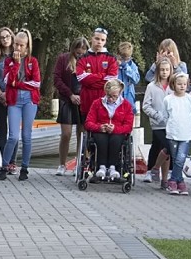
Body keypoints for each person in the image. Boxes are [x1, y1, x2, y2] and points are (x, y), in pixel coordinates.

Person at [0, 29, 41, 181]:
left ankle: (25, 167)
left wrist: (18, 84)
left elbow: (36, 83)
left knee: (26, 135)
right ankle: (4, 166)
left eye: (21, 45)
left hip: (29, 99)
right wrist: (16, 64)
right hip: (14, 100)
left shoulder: (33, 61)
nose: (18, 48)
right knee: (13, 136)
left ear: (27, 46)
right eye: (16, 44)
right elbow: (7, 81)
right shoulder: (9, 60)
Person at [84, 79, 134, 182]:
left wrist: (115, 129)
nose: (111, 99)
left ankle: (113, 167)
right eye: (109, 96)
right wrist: (99, 127)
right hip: (100, 131)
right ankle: (101, 167)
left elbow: (128, 126)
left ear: (120, 93)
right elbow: (88, 123)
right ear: (106, 93)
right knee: (101, 138)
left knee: (116, 139)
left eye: (114, 96)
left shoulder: (127, 106)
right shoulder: (97, 104)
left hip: (117, 132)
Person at [53, 37, 88, 175]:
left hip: (83, 100)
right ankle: (62, 164)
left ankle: (80, 163)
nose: (79, 55)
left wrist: (82, 96)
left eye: (82, 53)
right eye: (77, 52)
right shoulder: (63, 59)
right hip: (67, 99)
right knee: (66, 134)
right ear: (73, 49)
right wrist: (70, 95)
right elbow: (57, 79)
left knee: (82, 133)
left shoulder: (88, 61)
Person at [142, 58, 174, 187]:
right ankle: (153, 169)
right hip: (157, 123)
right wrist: (156, 115)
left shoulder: (173, 85)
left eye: (167, 70)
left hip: (171, 123)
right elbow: (146, 106)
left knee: (167, 149)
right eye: (162, 70)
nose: (164, 72)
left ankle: (164, 179)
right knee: (162, 146)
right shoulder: (152, 86)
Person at [77, 27, 119, 119]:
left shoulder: (111, 58)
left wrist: (91, 79)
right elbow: (81, 78)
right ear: (91, 38)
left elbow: (112, 80)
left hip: (105, 102)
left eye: (102, 40)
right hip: (87, 101)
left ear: (105, 42)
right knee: (87, 131)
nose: (99, 42)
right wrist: (103, 76)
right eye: (97, 39)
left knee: (103, 131)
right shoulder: (82, 58)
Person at [0, 27, 18, 173]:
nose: (5, 39)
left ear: (12, 37)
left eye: (7, 36)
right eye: (2, 37)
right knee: (2, 130)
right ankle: (5, 162)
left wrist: (8, 94)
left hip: (13, 97)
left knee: (14, 132)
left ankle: (13, 161)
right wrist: (0, 94)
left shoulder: (18, 55)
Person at [117, 41, 141, 114]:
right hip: (116, 100)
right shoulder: (113, 65)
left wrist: (126, 67)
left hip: (129, 100)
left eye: (127, 58)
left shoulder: (132, 66)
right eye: (123, 58)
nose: (125, 60)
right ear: (118, 55)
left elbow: (136, 80)